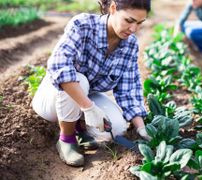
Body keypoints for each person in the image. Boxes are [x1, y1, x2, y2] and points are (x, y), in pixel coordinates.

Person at [31, 0, 151, 167]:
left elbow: (129, 87)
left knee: (116, 128)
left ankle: (80, 127)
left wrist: (141, 128)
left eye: (139, 23)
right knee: (80, 80)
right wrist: (89, 108)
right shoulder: (83, 24)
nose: (133, 29)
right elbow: (60, 66)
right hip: (53, 97)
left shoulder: (130, 45)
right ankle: (67, 138)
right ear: (113, 8)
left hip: (85, 97)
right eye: (129, 21)